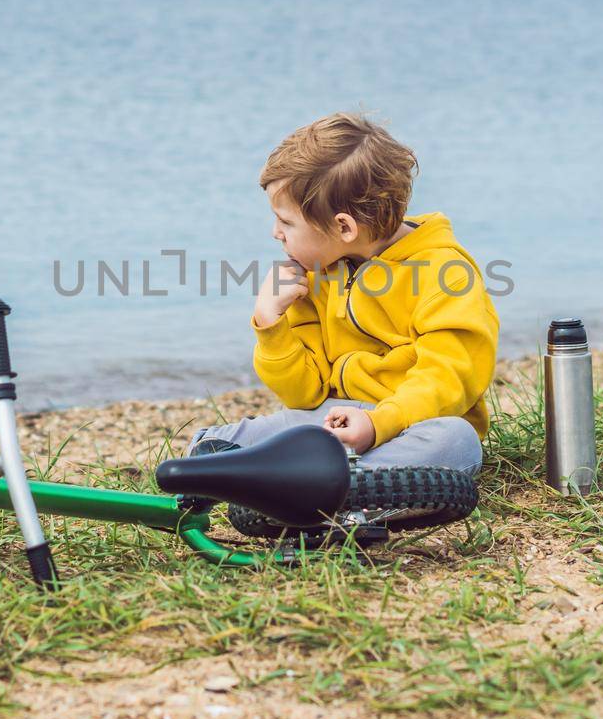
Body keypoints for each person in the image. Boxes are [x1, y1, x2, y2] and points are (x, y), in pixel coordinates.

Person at [188, 111, 499, 478]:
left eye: (286, 222)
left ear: (344, 227)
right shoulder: (313, 275)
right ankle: (244, 465)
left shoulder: (446, 274)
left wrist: (377, 424)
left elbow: (447, 379)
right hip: (334, 419)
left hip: (412, 424)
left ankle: (316, 483)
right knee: (249, 432)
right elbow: (304, 395)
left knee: (456, 440)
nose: (276, 232)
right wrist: (271, 322)